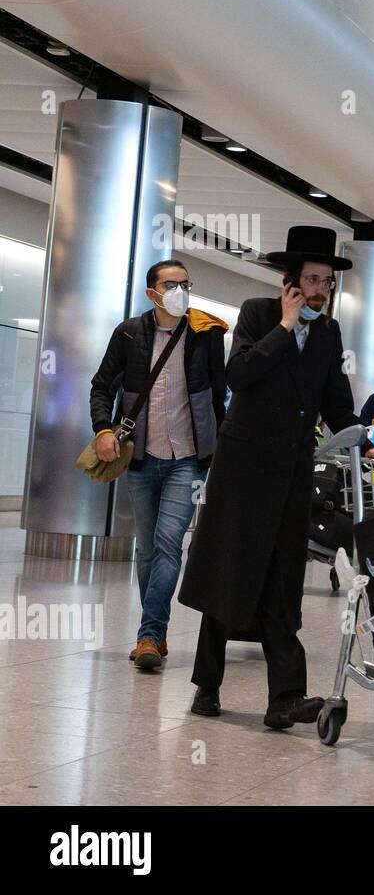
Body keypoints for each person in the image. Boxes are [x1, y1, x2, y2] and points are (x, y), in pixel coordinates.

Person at [179, 226, 374, 728]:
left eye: (326, 282)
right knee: (229, 572)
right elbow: (240, 375)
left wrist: (369, 443)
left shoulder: (329, 332)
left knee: (280, 581)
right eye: (312, 280)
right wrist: (286, 326)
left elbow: (336, 401)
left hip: (293, 473)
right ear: (290, 282)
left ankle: (284, 699)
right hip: (243, 472)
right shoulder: (257, 313)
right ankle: (207, 685)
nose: (320, 290)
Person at [89, 258, 228, 671]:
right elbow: (102, 385)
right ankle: (158, 632)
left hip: (188, 458)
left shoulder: (207, 333)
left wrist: (220, 450)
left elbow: (219, 394)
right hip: (142, 457)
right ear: (152, 292)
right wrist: (103, 430)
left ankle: (149, 633)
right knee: (147, 549)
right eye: (171, 284)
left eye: (186, 284)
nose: (180, 291)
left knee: (169, 544)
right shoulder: (130, 333)